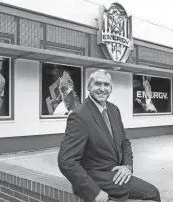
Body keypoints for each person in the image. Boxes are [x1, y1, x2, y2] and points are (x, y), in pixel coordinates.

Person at [58, 69, 161, 202]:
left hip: (115, 176)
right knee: (151, 193)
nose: (102, 89)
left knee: (151, 192)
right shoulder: (79, 115)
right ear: (89, 86)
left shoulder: (113, 110)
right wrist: (93, 192)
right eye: (97, 84)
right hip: (95, 180)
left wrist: (127, 166)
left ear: (111, 88)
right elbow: (66, 161)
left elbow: (124, 142)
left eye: (106, 85)